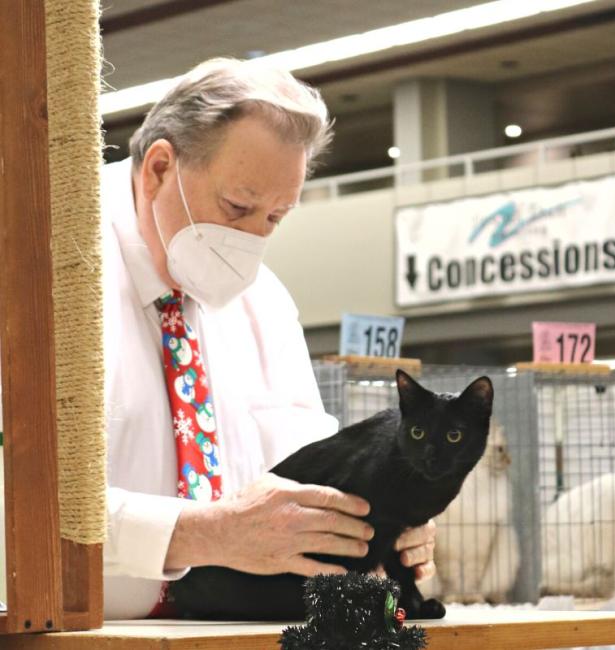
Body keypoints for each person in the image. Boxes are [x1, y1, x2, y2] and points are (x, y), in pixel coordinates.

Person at [102, 57, 436, 619]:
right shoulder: (40, 275)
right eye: (238, 207)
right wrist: (201, 534)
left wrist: (376, 518)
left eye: (275, 218)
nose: (252, 243)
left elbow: (311, 464)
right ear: (158, 168)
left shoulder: (267, 301)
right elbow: (17, 509)